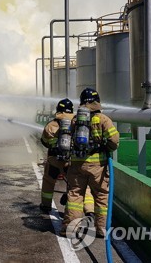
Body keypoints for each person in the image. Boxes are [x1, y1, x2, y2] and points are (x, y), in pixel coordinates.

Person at [61, 88, 119, 238]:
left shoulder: (75, 119)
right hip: (97, 166)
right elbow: (114, 140)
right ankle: (102, 229)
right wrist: (107, 147)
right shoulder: (103, 119)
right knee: (100, 197)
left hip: (77, 164)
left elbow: (67, 137)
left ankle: (70, 229)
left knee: (75, 196)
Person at [39, 98, 94, 215]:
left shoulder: (52, 124)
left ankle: (46, 205)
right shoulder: (76, 122)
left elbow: (44, 141)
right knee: (80, 185)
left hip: (54, 161)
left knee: (48, 181)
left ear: (58, 109)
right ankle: (89, 209)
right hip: (72, 161)